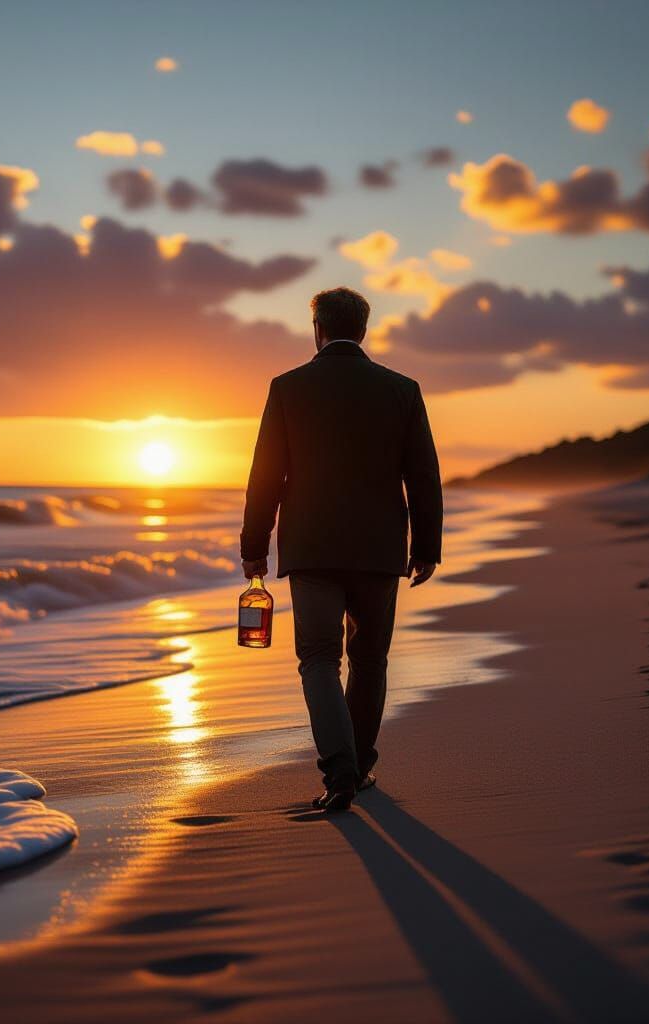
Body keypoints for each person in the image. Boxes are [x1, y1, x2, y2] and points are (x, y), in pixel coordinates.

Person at [240, 287, 443, 812]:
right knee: (370, 660)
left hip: (312, 548)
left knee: (319, 659)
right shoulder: (402, 390)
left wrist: (254, 546)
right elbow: (423, 475)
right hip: (379, 548)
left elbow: (266, 475)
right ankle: (358, 766)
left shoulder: (288, 387)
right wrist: (427, 547)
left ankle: (341, 773)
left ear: (318, 330)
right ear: (364, 330)